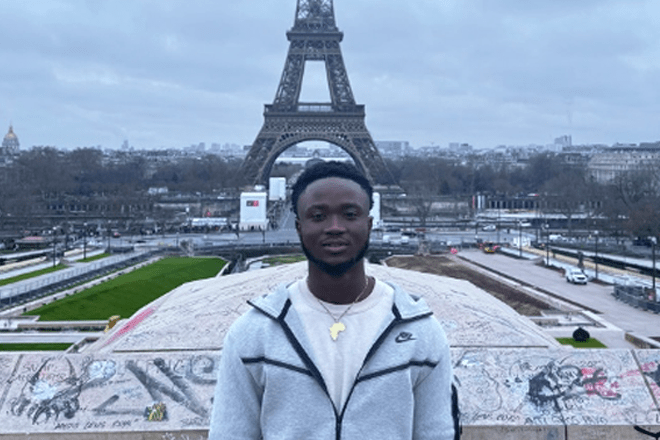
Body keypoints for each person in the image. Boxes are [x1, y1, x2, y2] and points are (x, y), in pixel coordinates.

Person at [209, 161, 457, 439]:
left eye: (350, 214)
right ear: (299, 227)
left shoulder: (423, 334)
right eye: (318, 216)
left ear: (370, 224)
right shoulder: (251, 334)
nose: (335, 227)